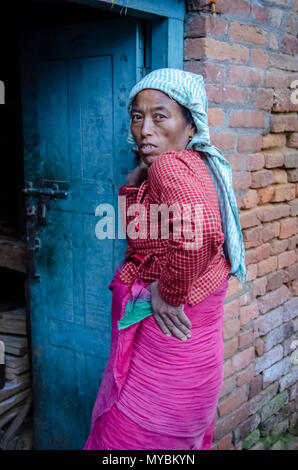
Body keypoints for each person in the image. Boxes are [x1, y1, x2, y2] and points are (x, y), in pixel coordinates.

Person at [84, 68, 246, 450]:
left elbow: (203, 234)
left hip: (169, 340)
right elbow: (143, 235)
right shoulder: (193, 165)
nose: (144, 129)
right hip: (196, 357)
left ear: (190, 124)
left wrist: (170, 293)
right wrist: (132, 182)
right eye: (137, 117)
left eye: (160, 115)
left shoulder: (171, 166)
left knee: (130, 440)